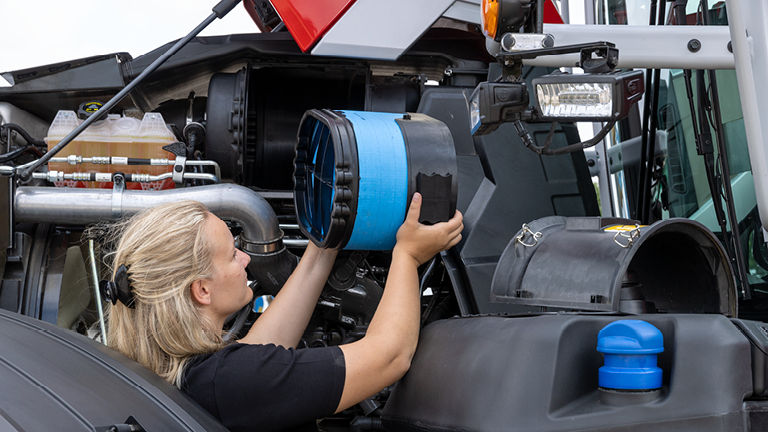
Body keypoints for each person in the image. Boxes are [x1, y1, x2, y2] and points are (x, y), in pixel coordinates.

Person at [104, 193, 463, 431]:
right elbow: (389, 357)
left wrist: (324, 244)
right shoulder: (233, 381)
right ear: (202, 290)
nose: (245, 259)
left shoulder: (191, 377)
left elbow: (263, 349)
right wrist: (408, 256)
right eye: (232, 254)